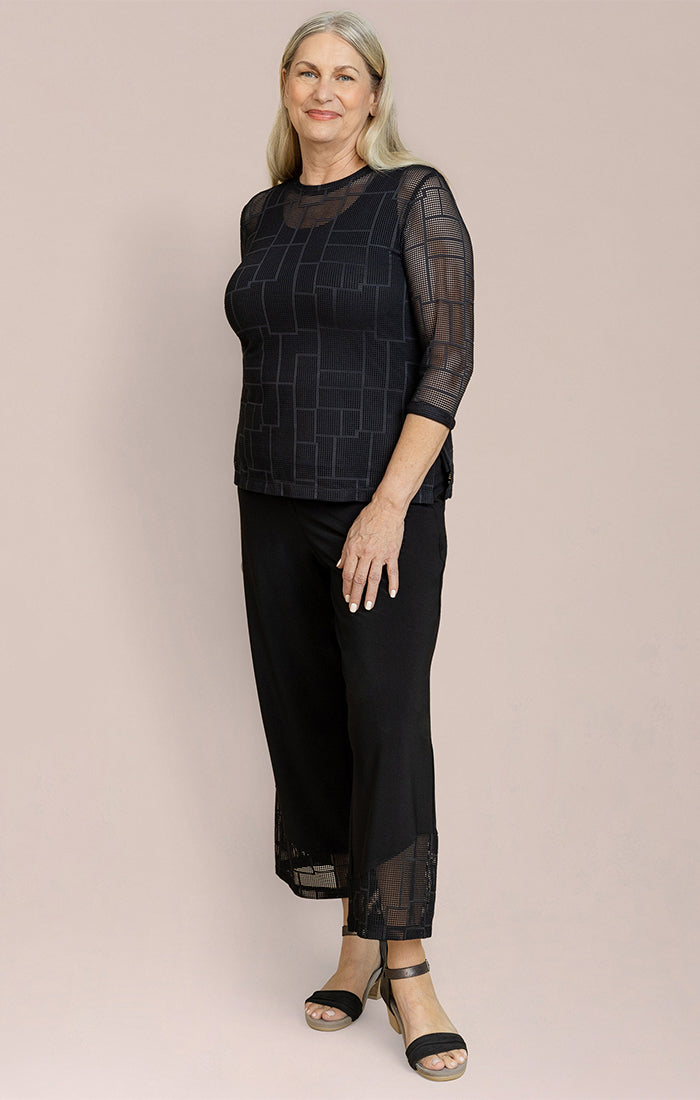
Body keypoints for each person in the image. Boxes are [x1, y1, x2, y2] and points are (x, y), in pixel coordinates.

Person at [223, 9, 474, 1083]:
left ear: (373, 96)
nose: (323, 90)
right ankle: (355, 945)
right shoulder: (263, 215)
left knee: (387, 723)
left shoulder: (412, 198)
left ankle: (407, 963)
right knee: (310, 723)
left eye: (344, 75)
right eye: (305, 71)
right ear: (285, 87)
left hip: (380, 510)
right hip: (271, 501)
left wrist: (387, 506)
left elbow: (448, 359)